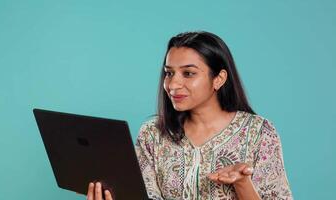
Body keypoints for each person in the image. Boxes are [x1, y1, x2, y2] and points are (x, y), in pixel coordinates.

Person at [87, 31, 293, 200]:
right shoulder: (153, 134)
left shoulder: (258, 133)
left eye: (188, 73)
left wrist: (242, 183)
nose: (173, 85)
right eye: (169, 73)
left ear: (219, 79)